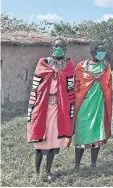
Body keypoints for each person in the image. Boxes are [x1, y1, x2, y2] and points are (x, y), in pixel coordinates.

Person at [27, 38, 74, 181]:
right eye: (56, 46)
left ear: (65, 49)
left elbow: (69, 88)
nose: (58, 48)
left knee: (54, 139)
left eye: (61, 46)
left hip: (59, 109)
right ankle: (36, 172)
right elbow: (36, 87)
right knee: (40, 140)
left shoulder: (68, 65)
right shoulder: (44, 63)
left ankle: (48, 171)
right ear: (52, 48)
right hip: (42, 108)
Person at [73, 41, 112, 172]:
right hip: (83, 106)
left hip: (99, 106)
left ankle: (93, 164)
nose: (103, 53)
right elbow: (76, 87)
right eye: (101, 51)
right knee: (81, 134)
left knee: (97, 133)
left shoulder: (106, 66)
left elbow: (108, 85)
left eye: (104, 50)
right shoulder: (81, 67)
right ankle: (77, 165)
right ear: (93, 52)